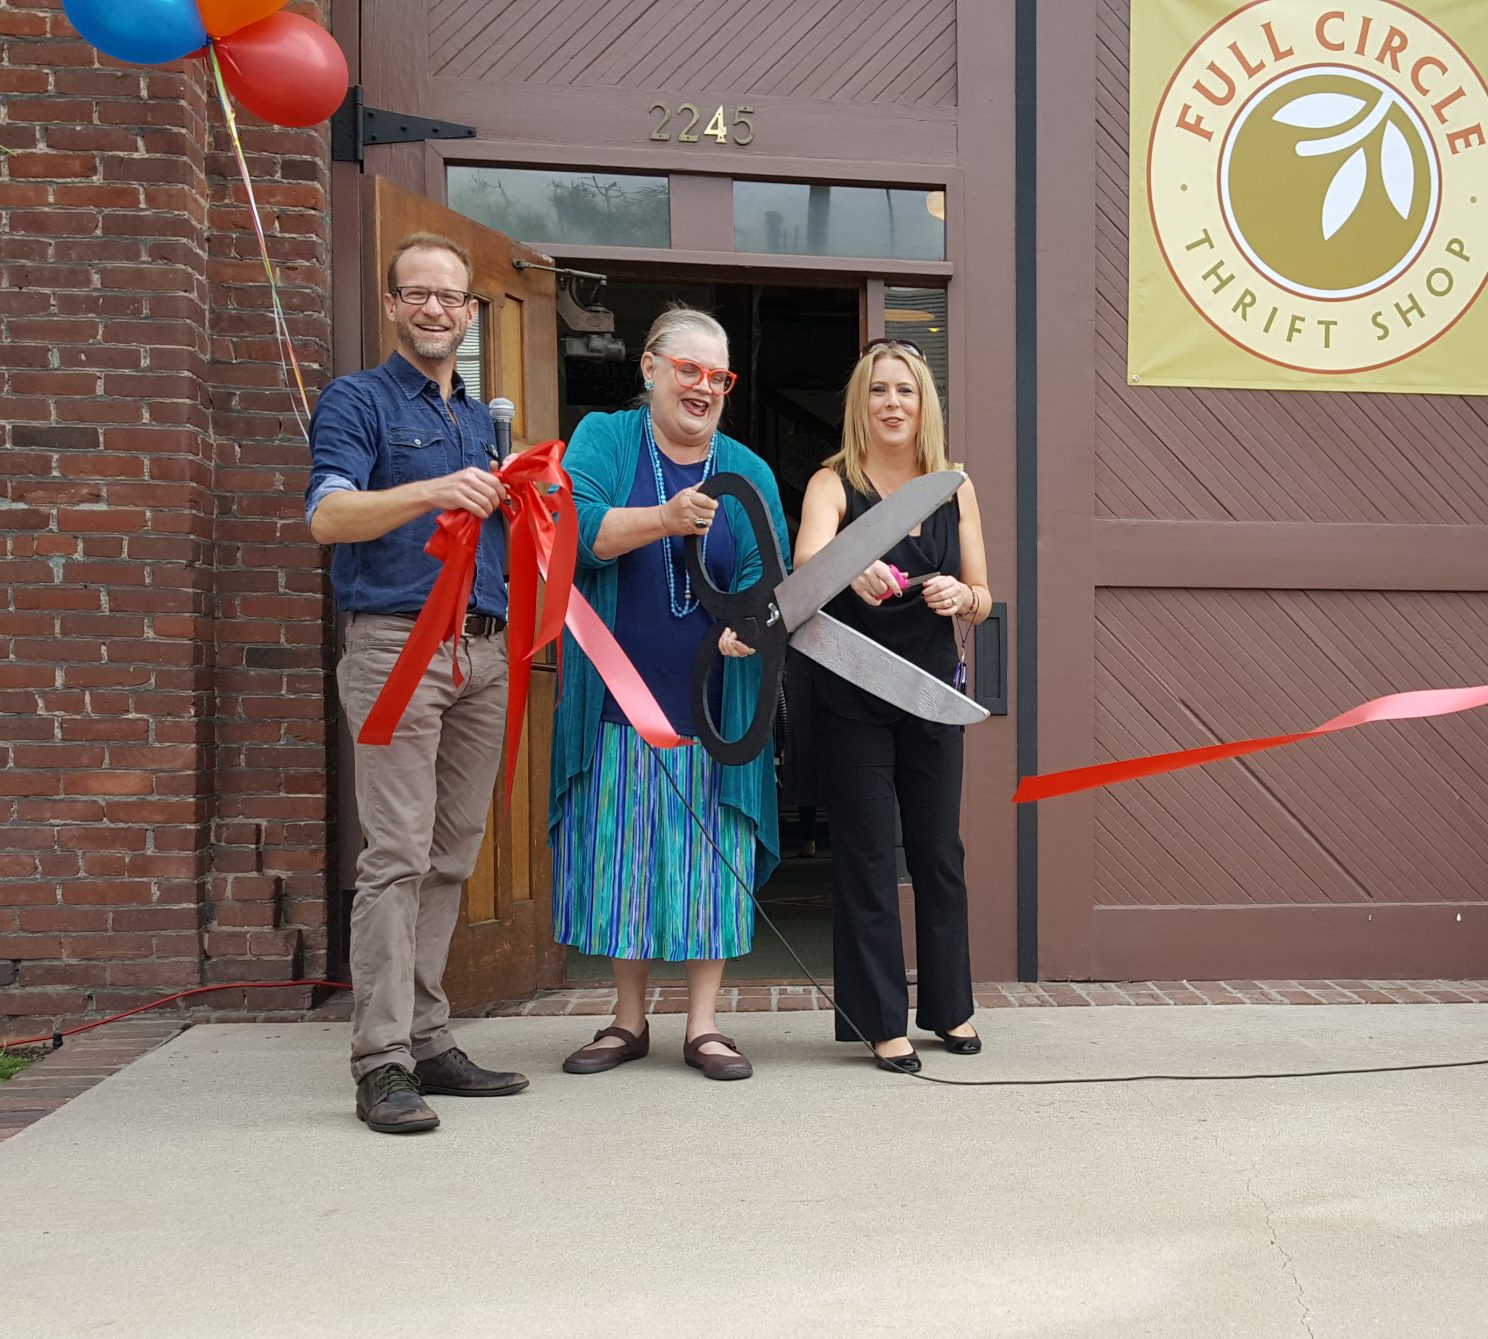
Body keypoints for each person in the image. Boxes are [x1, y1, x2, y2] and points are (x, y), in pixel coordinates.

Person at [304, 231, 531, 1134]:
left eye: (452, 297)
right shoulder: (355, 400)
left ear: (470, 314)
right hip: (395, 644)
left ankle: (429, 1036)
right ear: (393, 304)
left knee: (452, 854)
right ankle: (381, 1061)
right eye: (419, 294)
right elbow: (328, 515)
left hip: (481, 650)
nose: (436, 309)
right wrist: (435, 490)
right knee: (393, 856)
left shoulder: (482, 421)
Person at [550, 306, 788, 1083]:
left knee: (708, 859)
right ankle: (627, 1019)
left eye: (718, 377)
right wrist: (663, 516)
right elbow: (576, 532)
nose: (704, 388)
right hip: (619, 700)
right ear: (649, 367)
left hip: (714, 705)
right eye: (689, 370)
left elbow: (771, 582)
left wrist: (750, 628)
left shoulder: (747, 469)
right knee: (622, 854)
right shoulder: (605, 440)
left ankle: (706, 1025)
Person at [796, 338, 994, 1074]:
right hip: (853, 694)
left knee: (940, 854)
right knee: (870, 858)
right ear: (861, 402)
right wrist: (854, 569)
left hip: (933, 695)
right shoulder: (832, 482)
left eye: (905, 391)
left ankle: (950, 1007)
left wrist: (959, 596)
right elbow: (806, 566)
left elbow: (983, 592)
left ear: (924, 403)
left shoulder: (954, 486)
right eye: (879, 390)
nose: (892, 403)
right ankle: (882, 1020)